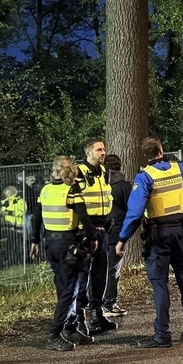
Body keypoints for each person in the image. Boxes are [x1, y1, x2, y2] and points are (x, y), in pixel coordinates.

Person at [116, 137, 183, 348]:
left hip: (159, 237)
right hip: (180, 233)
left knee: (160, 284)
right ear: (161, 151)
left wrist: (122, 239)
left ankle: (162, 335)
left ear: (146, 155)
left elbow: (135, 213)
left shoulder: (145, 177)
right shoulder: (177, 169)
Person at [29, 156, 96, 351]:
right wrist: (93, 236)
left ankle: (70, 328)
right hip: (69, 243)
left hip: (51, 243)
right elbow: (83, 216)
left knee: (62, 287)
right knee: (71, 290)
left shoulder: (45, 189)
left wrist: (34, 241)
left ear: (54, 172)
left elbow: (36, 218)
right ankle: (54, 332)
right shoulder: (73, 189)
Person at [76, 139, 117, 336]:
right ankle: (79, 318)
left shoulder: (104, 172)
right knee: (82, 275)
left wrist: (108, 220)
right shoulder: (78, 172)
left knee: (100, 273)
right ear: (88, 153)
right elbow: (75, 203)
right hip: (85, 231)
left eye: (103, 149)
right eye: (99, 150)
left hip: (102, 229)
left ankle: (97, 313)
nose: (103, 152)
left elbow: (106, 198)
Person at [102, 153, 131, 317]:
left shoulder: (98, 185)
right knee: (113, 270)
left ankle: (97, 304)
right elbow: (131, 209)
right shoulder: (123, 185)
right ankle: (109, 304)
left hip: (100, 232)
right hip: (117, 233)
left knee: (100, 270)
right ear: (120, 165)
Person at [0, 185, 27, 266]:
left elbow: (22, 211)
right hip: (8, 226)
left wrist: (9, 212)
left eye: (8, 193)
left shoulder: (20, 201)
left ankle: (21, 259)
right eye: (6, 194)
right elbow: (1, 210)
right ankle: (8, 259)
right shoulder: (5, 202)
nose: (7, 195)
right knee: (10, 244)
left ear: (13, 193)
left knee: (19, 244)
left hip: (19, 225)